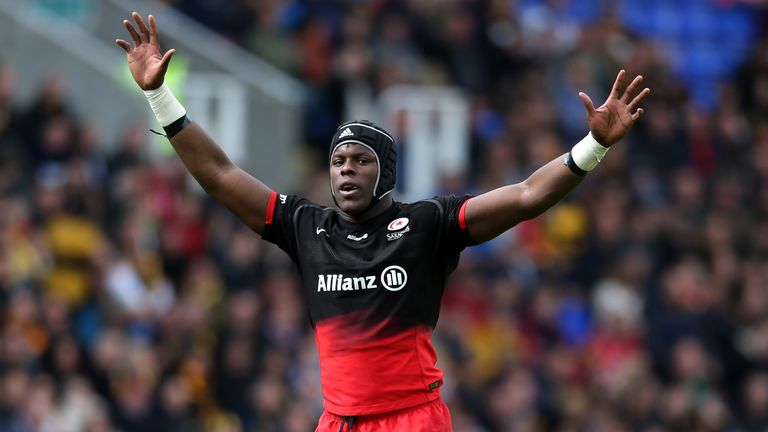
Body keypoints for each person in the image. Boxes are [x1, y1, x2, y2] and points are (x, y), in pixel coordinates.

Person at [116, 12, 650, 432]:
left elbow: (528, 195)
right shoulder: (305, 226)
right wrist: (159, 96)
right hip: (338, 422)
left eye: (360, 160)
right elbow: (218, 173)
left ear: (386, 170)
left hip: (412, 421)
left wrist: (594, 145)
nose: (346, 169)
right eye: (338, 161)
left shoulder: (429, 224)